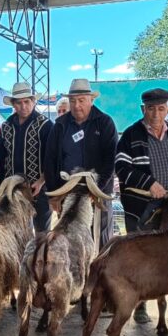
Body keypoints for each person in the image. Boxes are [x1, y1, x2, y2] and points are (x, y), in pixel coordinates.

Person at [115, 88, 168, 323]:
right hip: (140, 206)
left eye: (161, 109)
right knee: (141, 258)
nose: (155, 114)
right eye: (150, 109)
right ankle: (139, 305)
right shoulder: (131, 134)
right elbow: (121, 168)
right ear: (143, 109)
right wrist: (149, 183)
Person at [44, 78, 118, 248]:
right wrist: (54, 192)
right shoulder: (60, 125)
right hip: (67, 194)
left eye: (81, 100)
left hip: (97, 193)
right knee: (69, 241)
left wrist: (96, 188)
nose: (77, 105)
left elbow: (110, 160)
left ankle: (98, 274)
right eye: (73, 101)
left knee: (99, 239)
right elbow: (50, 160)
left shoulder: (105, 123)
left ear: (91, 100)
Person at [0, 82, 54, 231]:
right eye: (19, 102)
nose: (23, 106)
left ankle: (40, 255)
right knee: (15, 233)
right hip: (12, 190)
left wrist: (42, 181)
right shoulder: (6, 126)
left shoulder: (45, 125)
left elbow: (52, 158)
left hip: (37, 189)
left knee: (42, 233)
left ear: (33, 101)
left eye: (27, 101)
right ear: (13, 104)